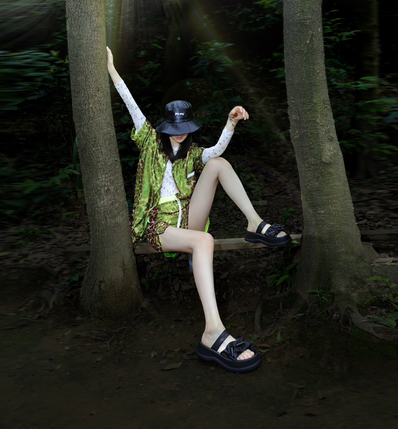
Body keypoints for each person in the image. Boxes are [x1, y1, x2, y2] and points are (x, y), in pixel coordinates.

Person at [106, 47, 290, 373]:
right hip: (159, 225)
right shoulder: (149, 141)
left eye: (185, 128)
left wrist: (231, 123)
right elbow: (129, 101)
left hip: (189, 218)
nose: (180, 134)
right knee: (205, 241)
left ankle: (255, 223)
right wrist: (111, 68)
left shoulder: (192, 153)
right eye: (174, 128)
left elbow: (216, 150)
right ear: (165, 127)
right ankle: (213, 331)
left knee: (218, 163)